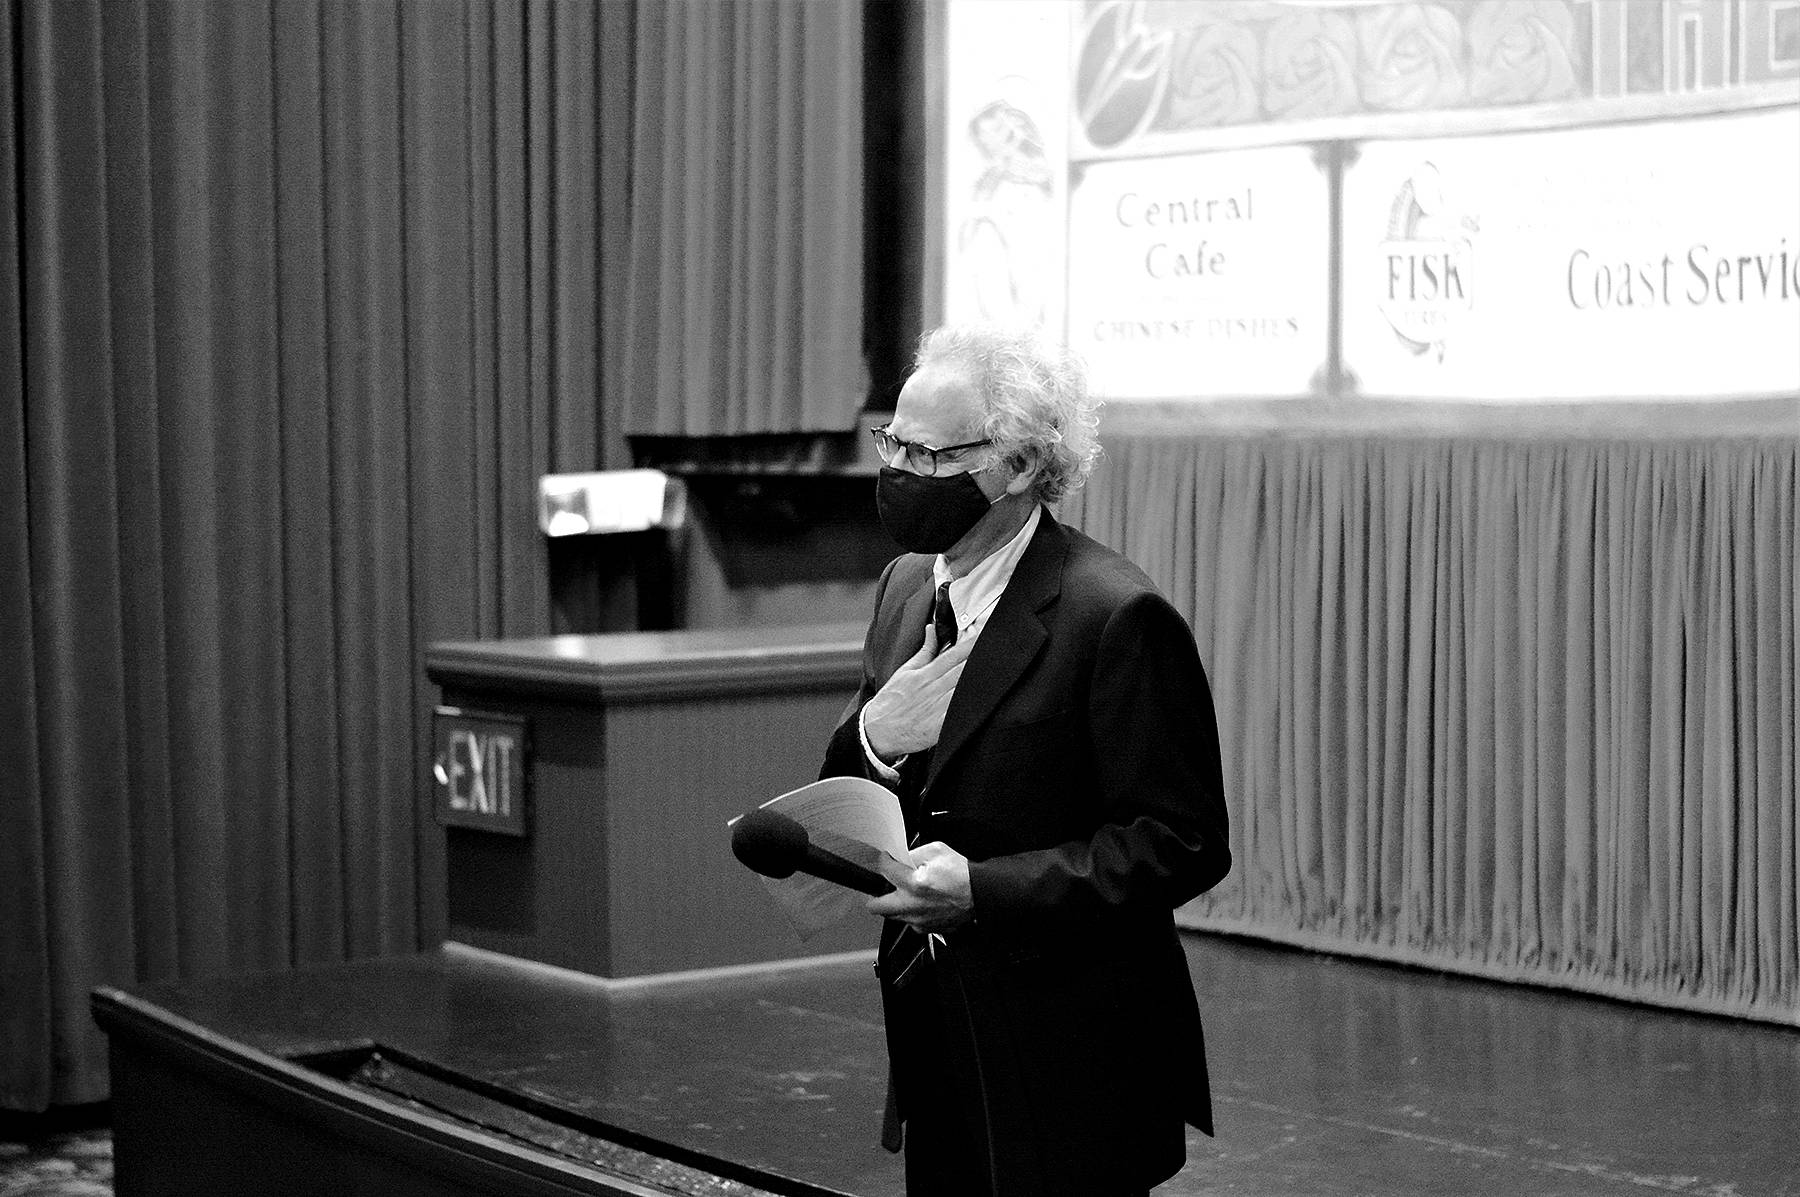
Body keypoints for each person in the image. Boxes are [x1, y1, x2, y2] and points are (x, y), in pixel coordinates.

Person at [820, 324, 1232, 1195]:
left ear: (1013, 465)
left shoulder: (1115, 615)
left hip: (1075, 1057)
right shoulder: (904, 586)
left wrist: (983, 890)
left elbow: (1181, 840)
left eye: (929, 455)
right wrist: (874, 738)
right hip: (935, 1037)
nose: (897, 472)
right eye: (892, 442)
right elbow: (850, 784)